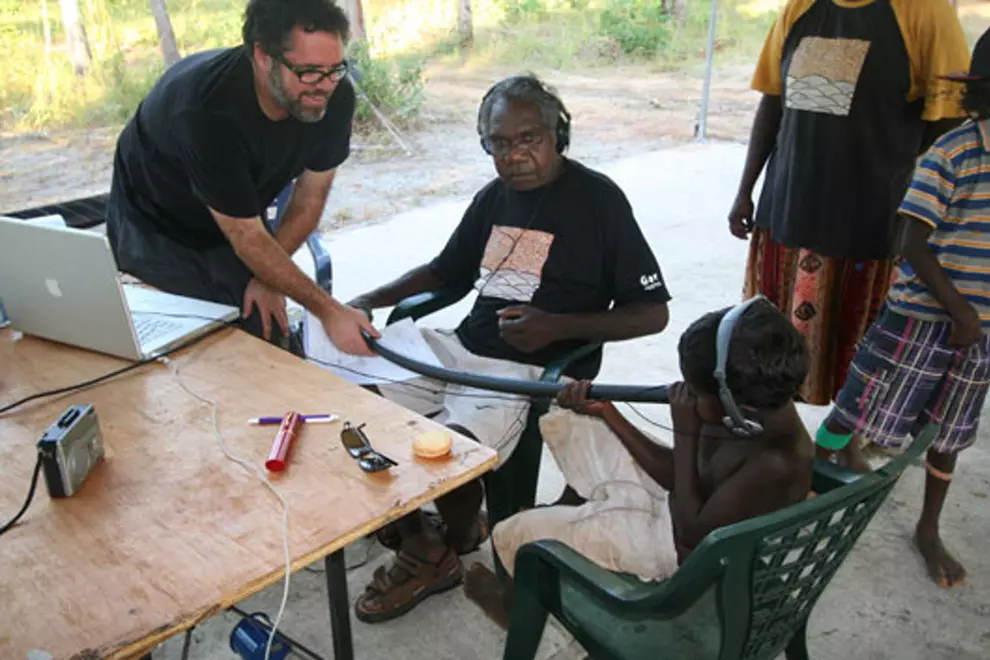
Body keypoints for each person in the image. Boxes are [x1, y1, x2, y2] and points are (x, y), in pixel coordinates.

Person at [345, 74, 672, 622]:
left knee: (448, 455)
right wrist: (367, 298)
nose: (515, 155)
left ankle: (442, 541)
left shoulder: (600, 202)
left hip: (523, 371)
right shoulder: (494, 197)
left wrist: (556, 326)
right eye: (500, 143)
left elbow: (652, 314)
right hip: (459, 348)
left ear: (557, 135)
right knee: (351, 413)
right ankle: (432, 540)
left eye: (529, 139)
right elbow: (445, 271)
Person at [467, 300, 812, 628]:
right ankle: (575, 513)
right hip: (678, 500)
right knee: (573, 424)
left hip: (673, 549)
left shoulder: (776, 462)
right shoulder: (744, 403)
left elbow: (692, 540)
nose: (682, 393)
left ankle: (512, 607)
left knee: (515, 532)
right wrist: (610, 415)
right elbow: (678, 474)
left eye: (693, 391)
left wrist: (686, 431)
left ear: (734, 403)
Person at [815, 29, 990, 589]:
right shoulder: (955, 152)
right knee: (856, 408)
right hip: (921, 319)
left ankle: (928, 529)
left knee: (950, 430)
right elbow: (910, 242)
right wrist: (960, 311)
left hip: (979, 329)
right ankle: (809, 493)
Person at [728, 0, 970, 405]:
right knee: (771, 345)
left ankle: (849, 438)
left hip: (867, 218)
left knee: (860, 350)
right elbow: (773, 100)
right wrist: (744, 190)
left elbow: (950, 111)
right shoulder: (800, 7)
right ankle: (776, 422)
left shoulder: (924, 10)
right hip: (788, 208)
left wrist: (893, 161)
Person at [105, 0, 376, 354]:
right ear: (263, 57)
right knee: (197, 347)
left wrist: (268, 279)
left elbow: (309, 199)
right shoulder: (206, 109)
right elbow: (245, 235)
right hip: (154, 221)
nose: (323, 86)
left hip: (237, 208)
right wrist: (329, 311)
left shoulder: (334, 97)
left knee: (264, 324)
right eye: (309, 71)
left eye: (334, 69)